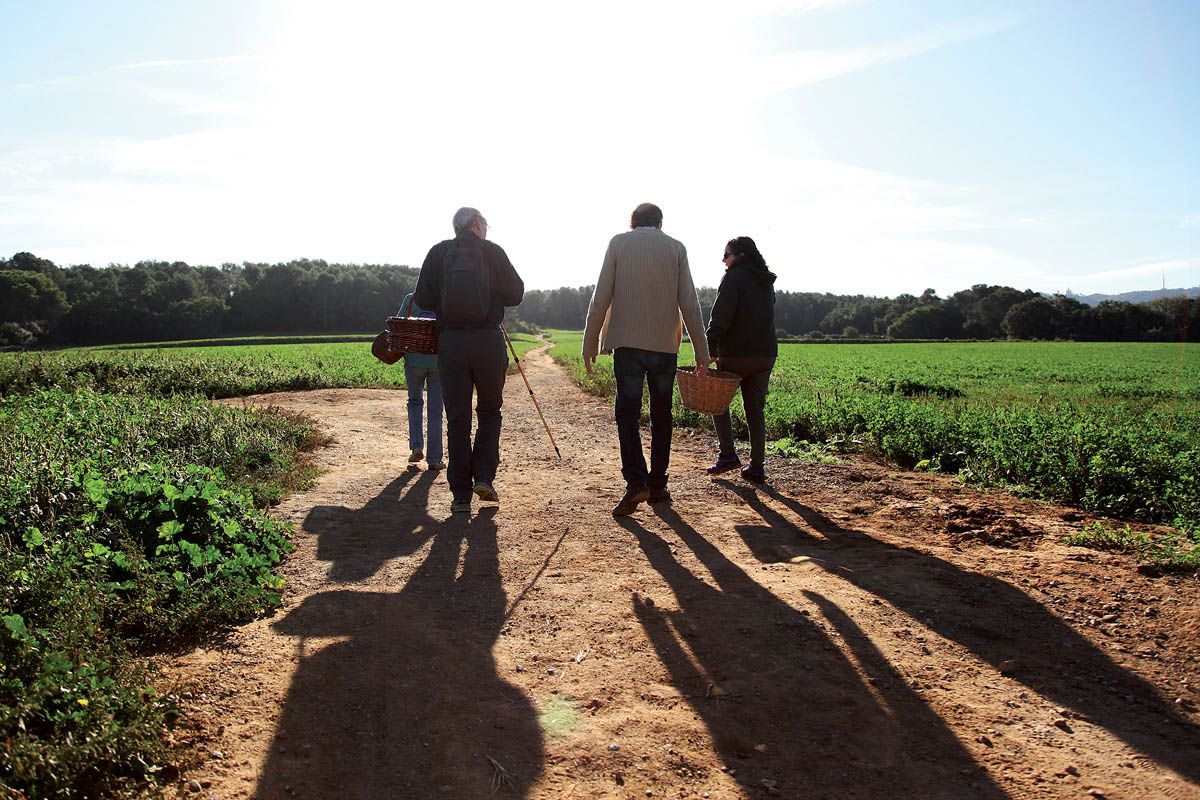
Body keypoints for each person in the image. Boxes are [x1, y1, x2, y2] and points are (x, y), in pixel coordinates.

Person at [582, 202, 711, 517]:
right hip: (664, 347)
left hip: (627, 344)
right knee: (661, 415)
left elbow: (601, 296)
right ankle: (658, 484)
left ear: (632, 223)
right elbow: (690, 304)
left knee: (627, 413)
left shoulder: (619, 244)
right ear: (660, 224)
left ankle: (636, 481)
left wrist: (590, 342)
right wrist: (701, 351)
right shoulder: (675, 249)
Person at [414, 207, 524, 514]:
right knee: (489, 412)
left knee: (458, 418)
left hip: (452, 343)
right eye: (486, 223)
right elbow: (516, 294)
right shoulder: (493, 252)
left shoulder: (438, 253)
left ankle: (460, 495)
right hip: (488, 342)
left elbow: (422, 298)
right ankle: (485, 478)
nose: (487, 228)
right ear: (476, 224)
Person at [704, 236, 778, 482]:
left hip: (737, 353)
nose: (723, 260)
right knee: (755, 409)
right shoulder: (766, 281)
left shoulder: (734, 277)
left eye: (726, 254)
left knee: (717, 402)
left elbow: (721, 315)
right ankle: (757, 467)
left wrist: (710, 346)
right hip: (765, 354)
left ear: (740, 255)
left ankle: (728, 455)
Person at [397, 291, 444, 470]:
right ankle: (434, 459)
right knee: (435, 410)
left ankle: (417, 447)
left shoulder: (411, 299)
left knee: (415, 402)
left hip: (413, 361)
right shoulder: (442, 298)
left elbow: (399, 325)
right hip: (438, 362)